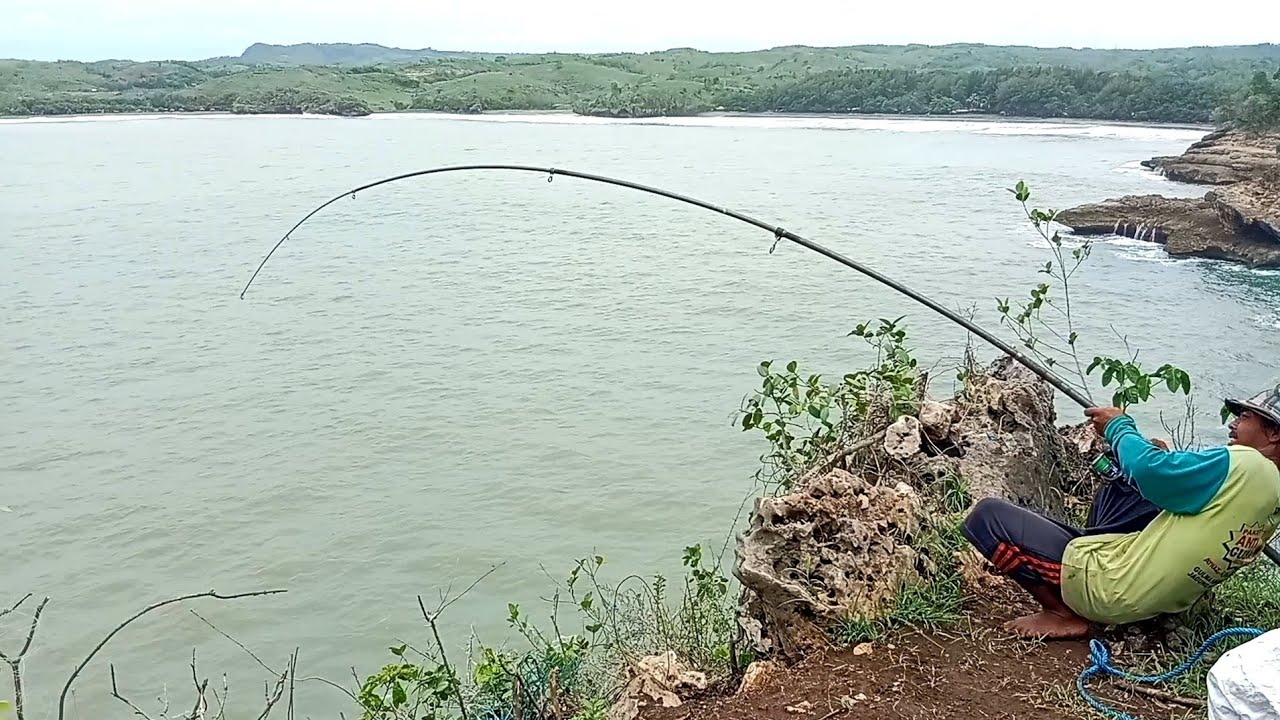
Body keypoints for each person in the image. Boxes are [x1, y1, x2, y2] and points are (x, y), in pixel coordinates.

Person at [961, 385, 1280, 639]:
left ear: (1274, 433)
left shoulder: (1247, 463)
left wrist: (1118, 426)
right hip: (1164, 600)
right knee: (1125, 482)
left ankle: (1061, 613)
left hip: (1111, 591)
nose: (1233, 423)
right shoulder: (1272, 488)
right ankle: (1085, 546)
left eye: (1245, 417)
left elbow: (1148, 469)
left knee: (987, 517)